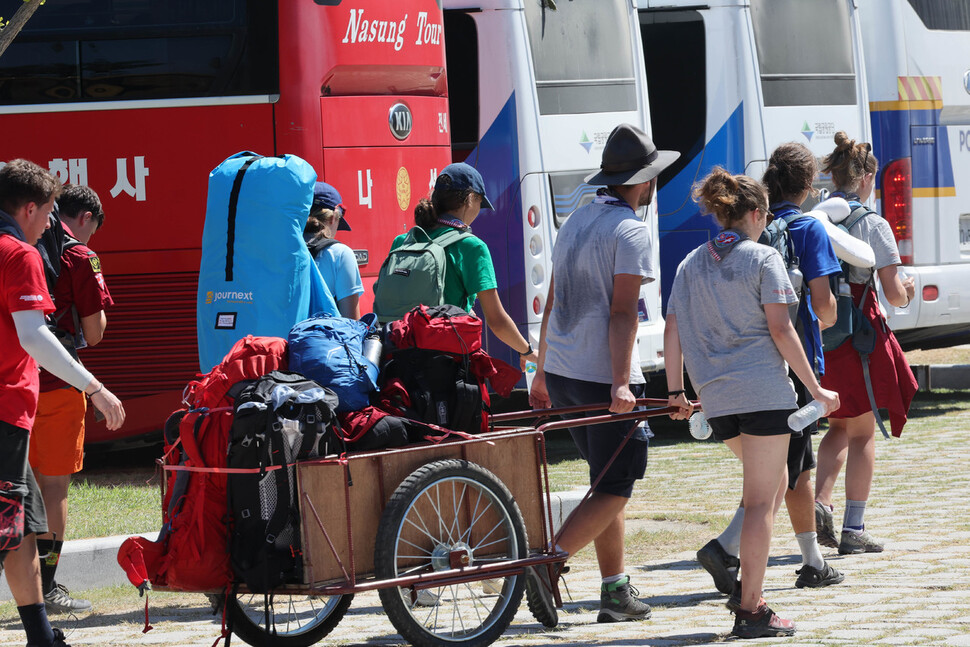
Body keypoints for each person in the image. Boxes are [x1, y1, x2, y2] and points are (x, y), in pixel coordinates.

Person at [665, 167, 840, 638]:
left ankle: (746, 588)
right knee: (764, 501)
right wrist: (818, 389)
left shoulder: (688, 264)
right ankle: (751, 609)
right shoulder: (764, 258)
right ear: (757, 214)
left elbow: (673, 331)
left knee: (776, 482)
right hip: (763, 393)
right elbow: (782, 330)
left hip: (716, 400)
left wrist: (676, 391)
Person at [529, 123, 678, 626]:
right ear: (646, 181)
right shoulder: (631, 230)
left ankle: (614, 591)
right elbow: (623, 312)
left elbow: (552, 300)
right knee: (616, 486)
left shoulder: (575, 218)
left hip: (565, 370)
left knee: (604, 482)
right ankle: (546, 563)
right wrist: (620, 381)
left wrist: (542, 371)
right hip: (599, 374)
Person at [0, 159, 125, 647]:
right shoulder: (21, 254)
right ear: (30, 208)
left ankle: (40, 636)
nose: (52, 224)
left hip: (13, 414)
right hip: (5, 412)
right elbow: (34, 335)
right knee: (10, 525)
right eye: (50, 212)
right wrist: (94, 387)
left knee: (24, 526)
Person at [814, 133, 919, 554]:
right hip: (861, 337)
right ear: (868, 177)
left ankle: (820, 503)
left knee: (838, 424)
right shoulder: (872, 224)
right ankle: (853, 526)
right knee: (862, 433)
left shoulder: (815, 218)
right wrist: (908, 288)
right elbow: (893, 293)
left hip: (824, 334)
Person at [28, 185, 113, 614]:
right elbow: (94, 333)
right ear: (85, 217)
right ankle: (48, 587)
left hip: (14, 382)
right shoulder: (79, 256)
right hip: (60, 385)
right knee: (54, 486)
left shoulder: (17, 246)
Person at [387, 162, 537, 368]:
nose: (479, 211)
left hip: (397, 361)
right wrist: (527, 351)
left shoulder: (403, 241)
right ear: (470, 199)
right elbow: (497, 320)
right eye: (480, 203)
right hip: (445, 366)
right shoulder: (471, 246)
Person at [303, 182, 363, 320]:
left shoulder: (283, 249)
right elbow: (351, 322)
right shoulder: (341, 254)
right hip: (320, 340)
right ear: (332, 218)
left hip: (278, 341)